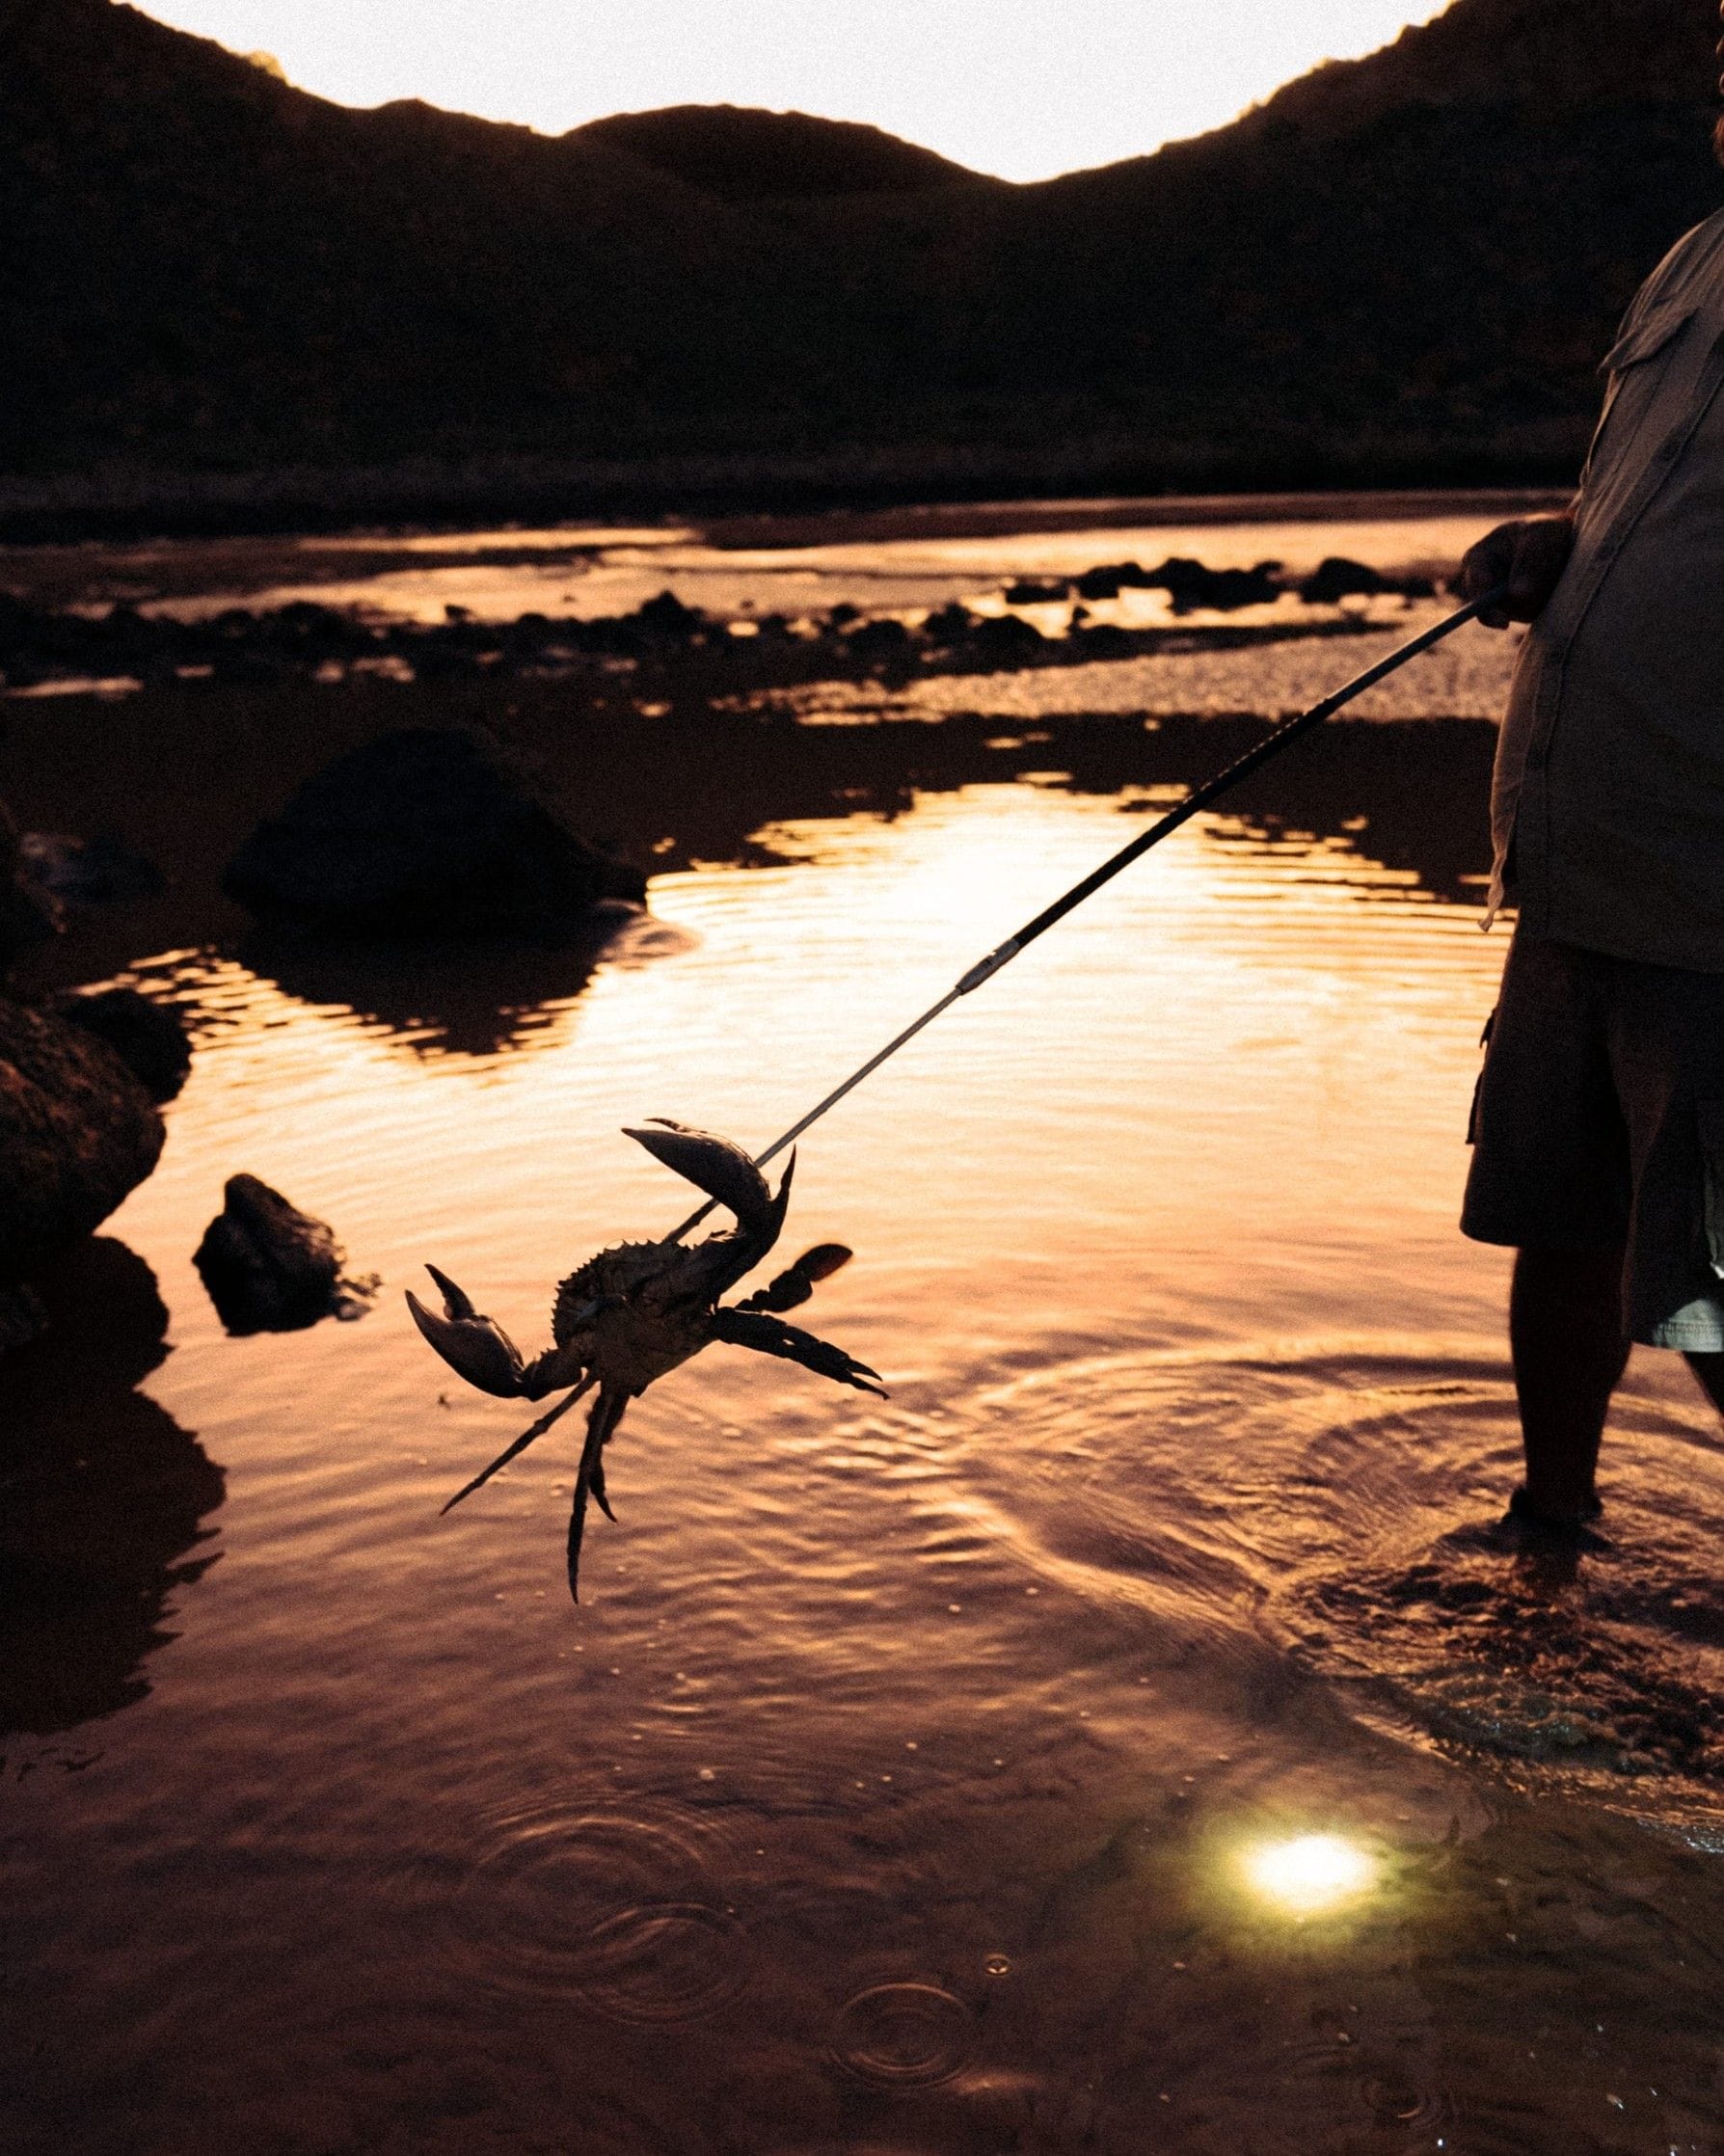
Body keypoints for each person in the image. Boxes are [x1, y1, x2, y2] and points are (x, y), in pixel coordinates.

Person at [1456, 7, 1724, 1535]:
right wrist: (1556, 545)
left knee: (1711, 1294)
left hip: (1712, 890)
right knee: (1557, 1226)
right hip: (1575, 862)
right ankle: (1549, 1524)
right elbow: (1627, 501)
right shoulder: (1693, 257)